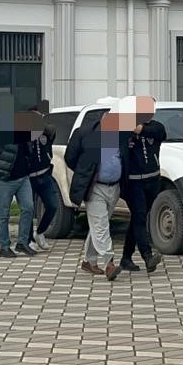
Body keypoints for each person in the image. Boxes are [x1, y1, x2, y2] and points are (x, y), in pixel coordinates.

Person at [66, 102, 127, 280]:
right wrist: (85, 172)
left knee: (99, 225)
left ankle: (88, 261)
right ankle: (109, 263)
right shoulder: (85, 133)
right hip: (94, 187)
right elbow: (70, 157)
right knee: (100, 225)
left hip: (114, 187)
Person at [118, 96, 165, 275]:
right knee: (139, 216)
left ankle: (126, 257)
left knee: (138, 218)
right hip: (133, 182)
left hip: (152, 180)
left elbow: (149, 131)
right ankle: (147, 256)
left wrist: (130, 123)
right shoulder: (124, 129)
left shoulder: (157, 127)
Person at [0, 109, 39, 259]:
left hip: (23, 177)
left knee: (28, 208)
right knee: (3, 213)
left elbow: (29, 152)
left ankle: (22, 242)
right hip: (4, 179)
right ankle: (4, 246)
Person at [25, 99, 60, 251]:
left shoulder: (45, 131)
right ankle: (28, 239)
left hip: (45, 175)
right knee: (28, 208)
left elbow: (52, 130)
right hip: (28, 177)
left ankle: (40, 232)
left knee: (53, 205)